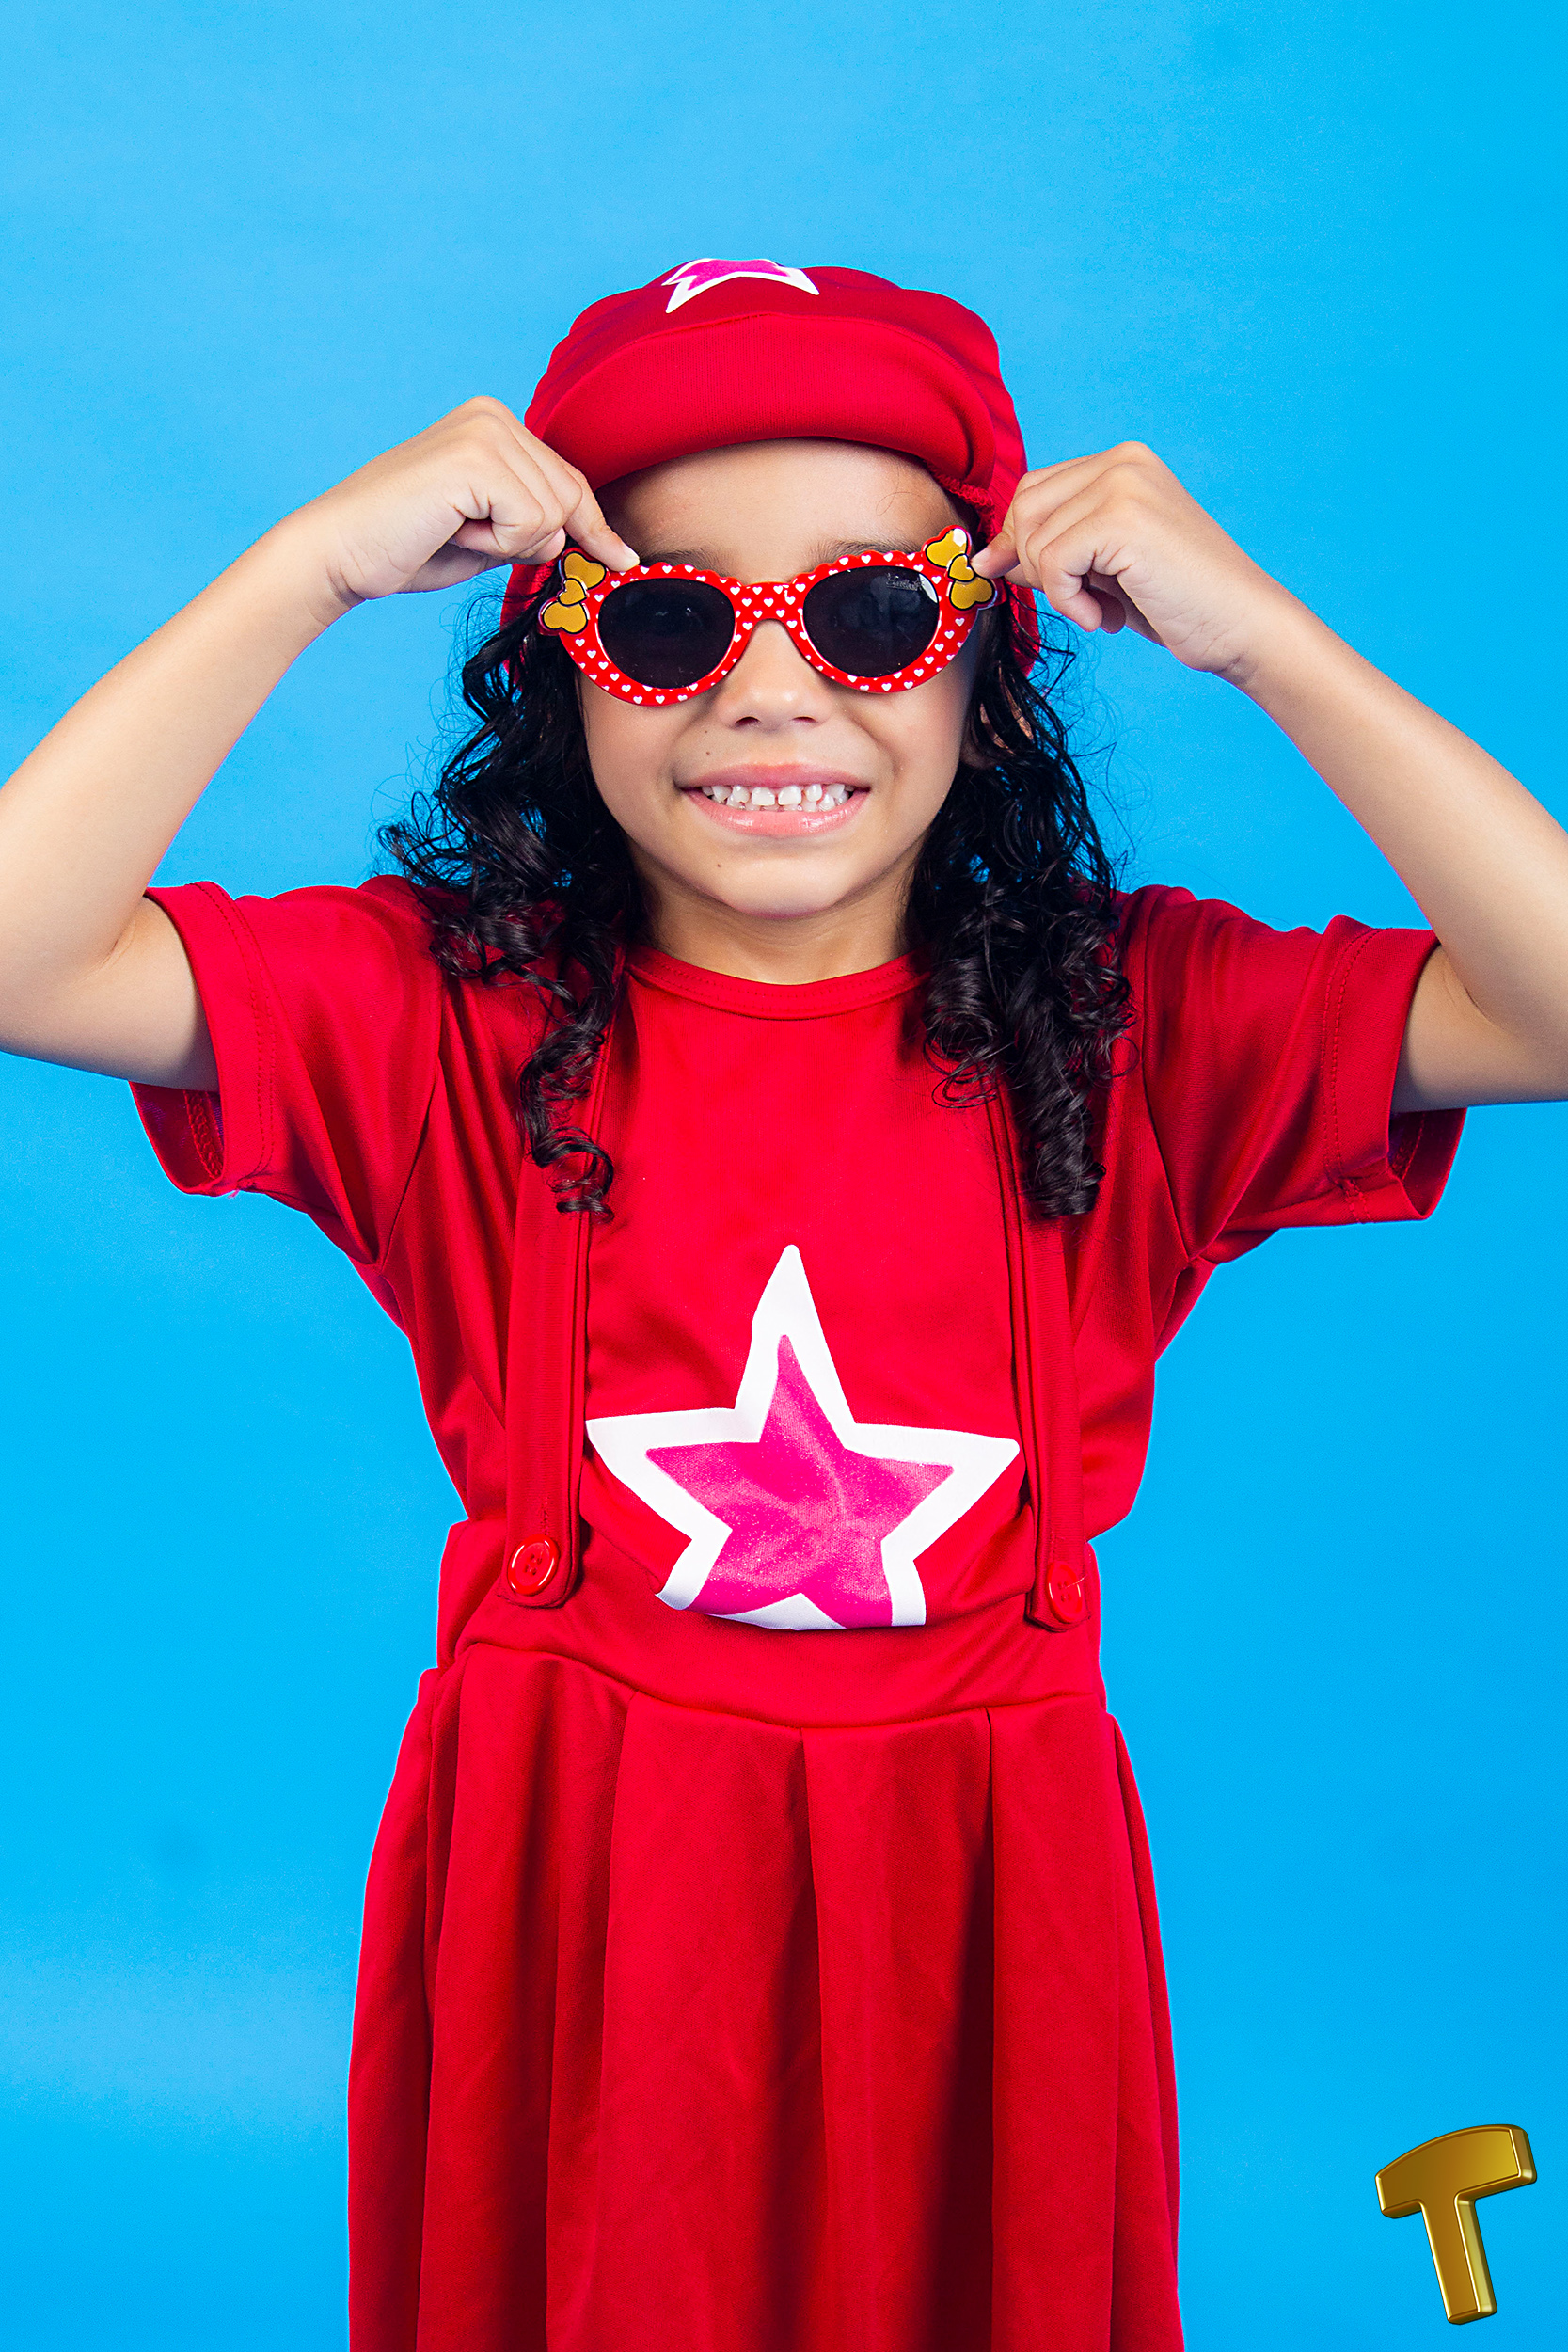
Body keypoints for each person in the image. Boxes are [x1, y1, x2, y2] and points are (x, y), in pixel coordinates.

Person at [2, 260, 1563, 2352]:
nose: (767, 691)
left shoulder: (1130, 1028)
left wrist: (1269, 641)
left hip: (990, 1912)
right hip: (573, 1897)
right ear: (563, 674)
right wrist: (308, 570)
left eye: (870, 615)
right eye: (667, 623)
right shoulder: (442, 1019)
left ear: (985, 668)